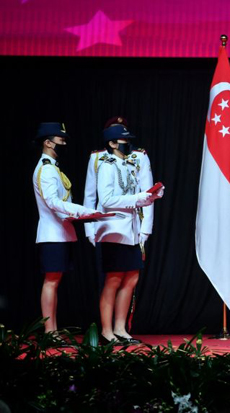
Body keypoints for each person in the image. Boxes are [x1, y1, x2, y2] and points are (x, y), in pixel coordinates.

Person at [95, 124, 163, 344]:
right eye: (124, 141)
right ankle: (106, 331)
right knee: (113, 279)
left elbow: (134, 195)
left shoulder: (128, 165)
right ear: (112, 144)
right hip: (114, 230)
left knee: (132, 277)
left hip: (131, 231)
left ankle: (121, 328)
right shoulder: (106, 166)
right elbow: (106, 200)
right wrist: (137, 199)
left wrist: (149, 196)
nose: (129, 145)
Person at [32, 122, 98, 333]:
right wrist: (83, 211)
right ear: (48, 142)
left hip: (61, 233)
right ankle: (49, 332)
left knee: (55, 282)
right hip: (52, 235)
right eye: (61, 140)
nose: (64, 143)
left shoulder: (52, 167)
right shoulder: (45, 169)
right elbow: (53, 202)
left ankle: (53, 329)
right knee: (51, 282)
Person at [84, 117, 154, 290]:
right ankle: (107, 318)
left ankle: (123, 318)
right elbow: (90, 196)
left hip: (132, 227)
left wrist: (145, 229)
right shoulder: (97, 158)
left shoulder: (139, 156)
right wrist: (90, 231)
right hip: (106, 227)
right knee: (109, 279)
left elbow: (147, 194)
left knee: (131, 277)